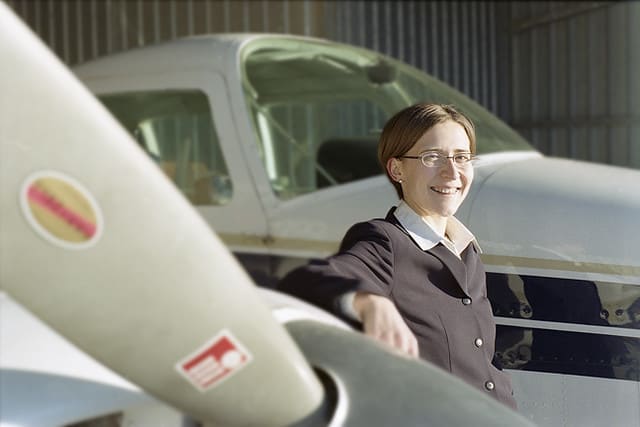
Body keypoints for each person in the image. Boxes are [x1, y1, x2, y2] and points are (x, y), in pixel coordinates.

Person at [278, 103, 517, 409]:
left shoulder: (467, 251)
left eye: (461, 157)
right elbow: (306, 281)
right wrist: (369, 302)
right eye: (433, 157)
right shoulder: (385, 241)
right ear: (397, 169)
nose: (452, 172)